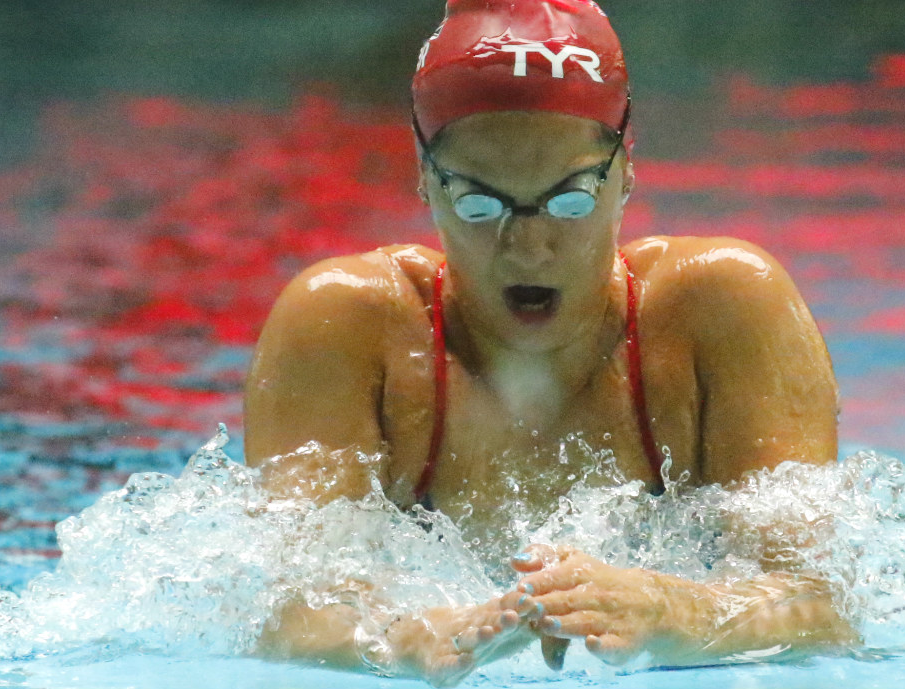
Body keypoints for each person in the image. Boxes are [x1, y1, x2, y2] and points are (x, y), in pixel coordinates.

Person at [244, 0, 852, 683]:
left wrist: (677, 609)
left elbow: (814, 603)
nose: (528, 246)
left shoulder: (724, 306)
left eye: (569, 199)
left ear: (625, 166)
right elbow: (294, 615)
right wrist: (397, 638)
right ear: (424, 173)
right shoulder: (346, 327)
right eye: (481, 204)